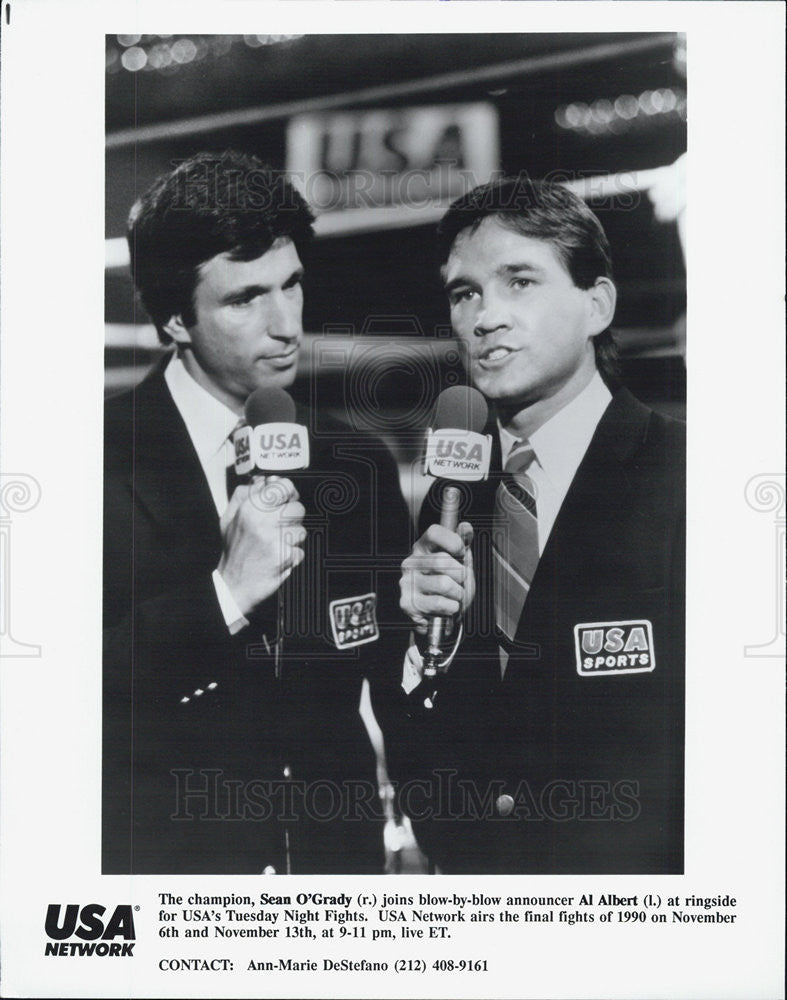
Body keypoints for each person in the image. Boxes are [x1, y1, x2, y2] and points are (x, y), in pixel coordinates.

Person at [103, 150, 409, 874]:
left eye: (292, 284)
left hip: (338, 890)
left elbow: (397, 688)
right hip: (173, 894)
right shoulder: (83, 464)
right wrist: (225, 596)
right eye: (244, 299)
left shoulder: (356, 467)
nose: (285, 324)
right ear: (175, 319)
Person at [395, 176, 685, 874]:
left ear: (596, 304)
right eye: (465, 294)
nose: (484, 316)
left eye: (518, 281)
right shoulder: (451, 500)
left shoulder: (687, 475)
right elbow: (429, 752)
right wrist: (420, 655)